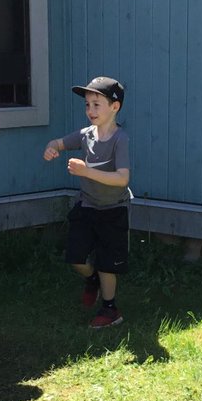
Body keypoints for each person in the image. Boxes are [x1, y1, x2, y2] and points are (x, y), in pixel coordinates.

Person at [43, 76, 131, 329]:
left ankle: (110, 308)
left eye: (96, 104)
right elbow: (57, 143)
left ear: (115, 107)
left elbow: (122, 179)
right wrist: (52, 148)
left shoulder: (120, 139)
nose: (90, 110)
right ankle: (91, 280)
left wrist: (86, 172)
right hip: (87, 207)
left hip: (113, 211)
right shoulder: (84, 136)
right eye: (87, 105)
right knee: (76, 258)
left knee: (107, 264)